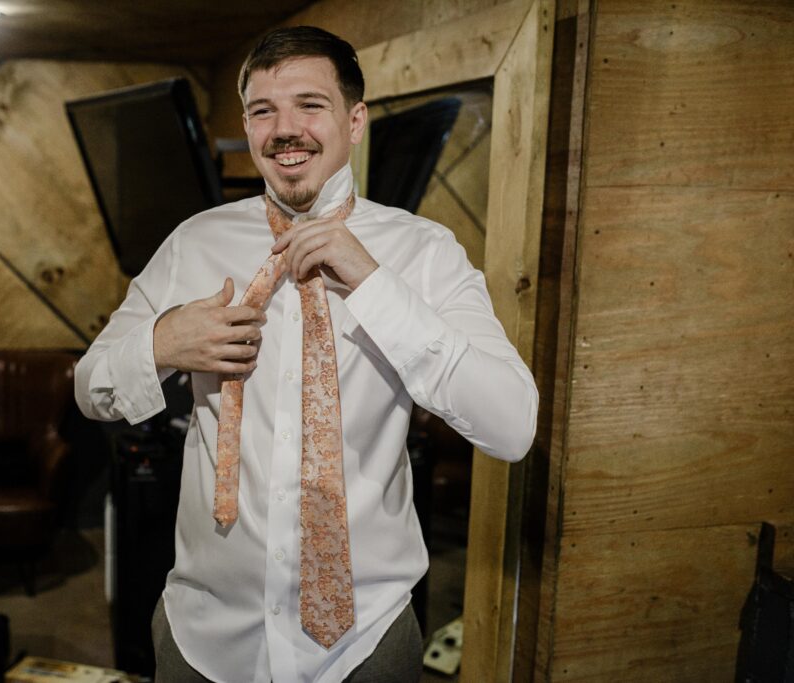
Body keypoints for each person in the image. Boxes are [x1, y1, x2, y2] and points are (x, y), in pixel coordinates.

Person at [75, 26, 538, 683]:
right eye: (264, 111)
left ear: (355, 121)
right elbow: (90, 387)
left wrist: (373, 283)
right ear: (247, 126)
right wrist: (165, 341)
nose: (285, 129)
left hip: (365, 642)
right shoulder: (194, 244)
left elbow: (512, 425)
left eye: (310, 105)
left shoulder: (425, 253)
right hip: (205, 636)